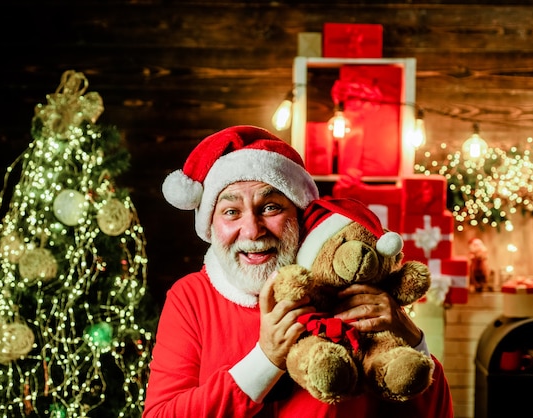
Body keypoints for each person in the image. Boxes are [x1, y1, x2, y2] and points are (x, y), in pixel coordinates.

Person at [143, 125, 454, 417]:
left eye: (270, 207)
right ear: (211, 224)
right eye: (231, 212)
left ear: (300, 215)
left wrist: (413, 341)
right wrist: (264, 360)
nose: (252, 231)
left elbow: (433, 412)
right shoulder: (191, 297)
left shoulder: (347, 286)